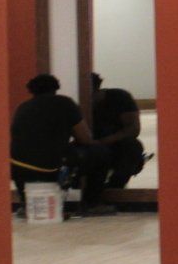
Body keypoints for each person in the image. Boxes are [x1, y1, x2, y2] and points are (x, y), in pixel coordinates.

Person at [9, 73, 111, 216]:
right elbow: (85, 138)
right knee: (100, 152)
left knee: (30, 158)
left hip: (16, 168)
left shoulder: (22, 107)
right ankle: (92, 203)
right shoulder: (65, 103)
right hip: (48, 168)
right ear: (56, 87)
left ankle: (26, 205)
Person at [91, 73, 146, 191]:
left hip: (115, 146)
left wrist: (102, 142)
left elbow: (133, 129)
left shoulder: (119, 97)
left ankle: (115, 189)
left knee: (132, 146)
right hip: (87, 146)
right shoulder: (70, 103)